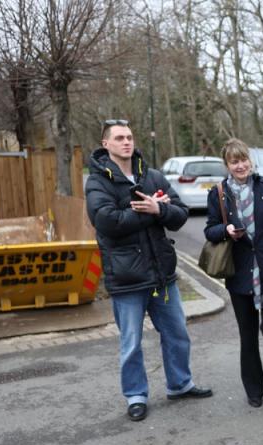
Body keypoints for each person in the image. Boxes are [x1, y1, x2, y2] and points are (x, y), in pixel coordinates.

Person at [86, 119, 212, 422]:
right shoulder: (97, 182)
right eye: (119, 138)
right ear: (106, 144)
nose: (126, 142)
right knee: (131, 343)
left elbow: (180, 216)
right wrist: (150, 213)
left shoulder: (153, 176)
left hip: (162, 274)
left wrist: (160, 210)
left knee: (177, 334)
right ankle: (136, 395)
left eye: (129, 137)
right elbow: (108, 222)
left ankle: (180, 384)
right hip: (127, 277)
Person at [204, 138, 263, 407]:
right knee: (248, 335)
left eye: (244, 159)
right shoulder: (218, 193)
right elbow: (210, 229)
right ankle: (254, 391)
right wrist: (226, 231)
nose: (241, 165)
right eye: (234, 161)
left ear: (250, 161)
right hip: (240, 273)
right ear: (227, 165)